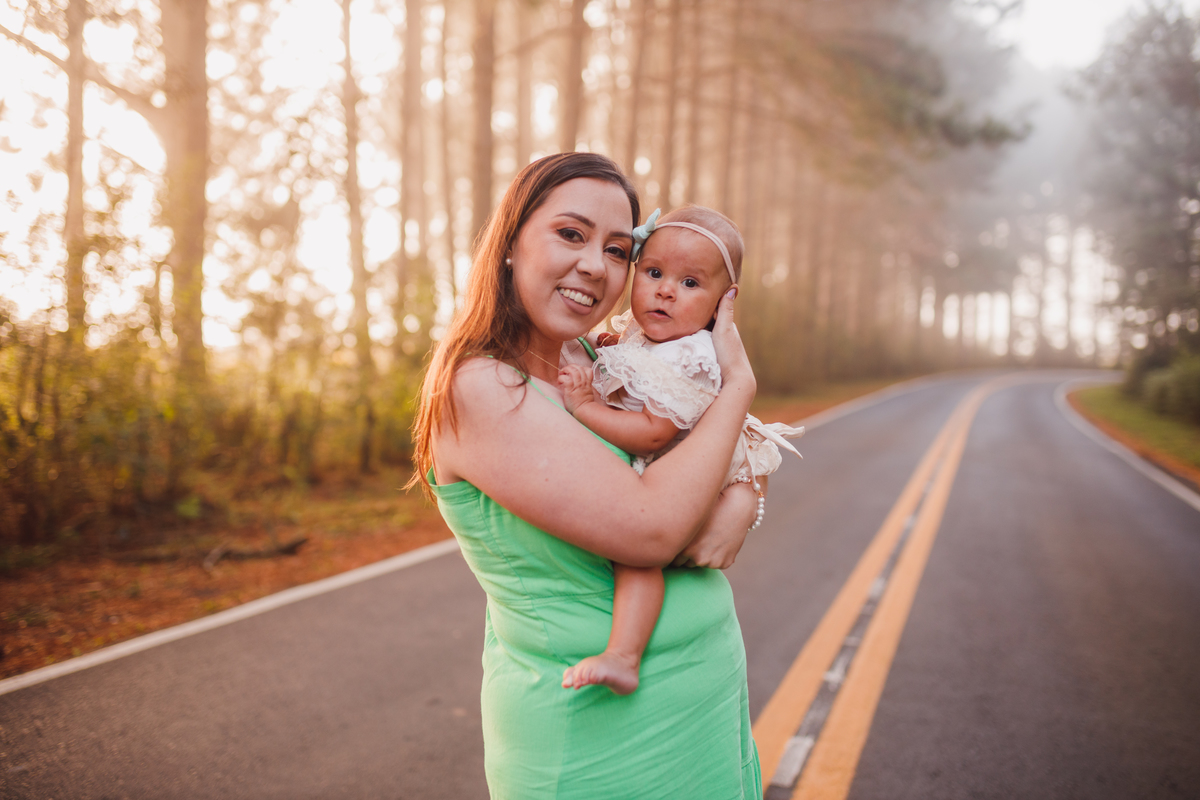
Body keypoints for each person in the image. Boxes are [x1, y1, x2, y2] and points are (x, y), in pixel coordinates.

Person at [410, 152, 762, 799]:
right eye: (571, 234)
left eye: (618, 250)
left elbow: (698, 442)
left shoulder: (594, 356)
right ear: (511, 243)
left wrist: (745, 496)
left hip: (703, 708)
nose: (596, 266)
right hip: (599, 743)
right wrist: (739, 384)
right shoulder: (481, 388)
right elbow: (652, 528)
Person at [558, 205, 803, 697]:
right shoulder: (646, 336)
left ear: (721, 305)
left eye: (690, 283)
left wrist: (584, 406)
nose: (666, 290)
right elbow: (626, 356)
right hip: (671, 472)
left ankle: (624, 654)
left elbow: (652, 433)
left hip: (681, 478)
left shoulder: (692, 356)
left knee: (636, 558)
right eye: (653, 273)